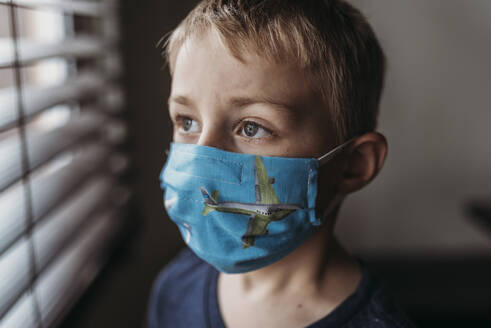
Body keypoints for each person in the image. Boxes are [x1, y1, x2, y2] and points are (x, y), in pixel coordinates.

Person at [148, 0, 415, 327]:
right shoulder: (174, 287)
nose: (202, 158)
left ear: (353, 165)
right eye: (187, 122)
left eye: (252, 127)